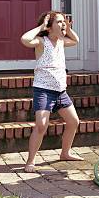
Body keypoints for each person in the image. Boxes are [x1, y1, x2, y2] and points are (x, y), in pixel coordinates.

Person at [20, 11, 82, 173]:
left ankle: (65, 153)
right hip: (44, 91)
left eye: (64, 22)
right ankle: (30, 161)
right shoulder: (41, 41)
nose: (63, 24)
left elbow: (76, 40)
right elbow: (25, 39)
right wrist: (41, 26)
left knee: (74, 122)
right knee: (41, 125)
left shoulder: (61, 41)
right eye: (59, 22)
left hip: (61, 91)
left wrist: (67, 29)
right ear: (49, 27)